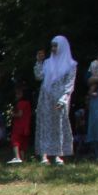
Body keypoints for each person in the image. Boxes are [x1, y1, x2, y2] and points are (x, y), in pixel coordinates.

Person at [33, 35, 77, 165]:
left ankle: (58, 154)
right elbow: (39, 76)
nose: (53, 48)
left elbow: (70, 83)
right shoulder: (47, 63)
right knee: (45, 124)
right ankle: (44, 154)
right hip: (46, 98)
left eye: (56, 46)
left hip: (60, 98)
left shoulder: (71, 64)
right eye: (52, 46)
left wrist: (64, 99)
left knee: (59, 125)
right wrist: (39, 62)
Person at [8, 75, 34, 164]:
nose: (16, 95)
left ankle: (16, 156)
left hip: (19, 126)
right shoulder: (28, 104)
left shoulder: (20, 103)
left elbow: (19, 114)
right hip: (26, 127)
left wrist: (12, 114)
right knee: (23, 143)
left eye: (18, 93)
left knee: (15, 141)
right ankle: (23, 158)